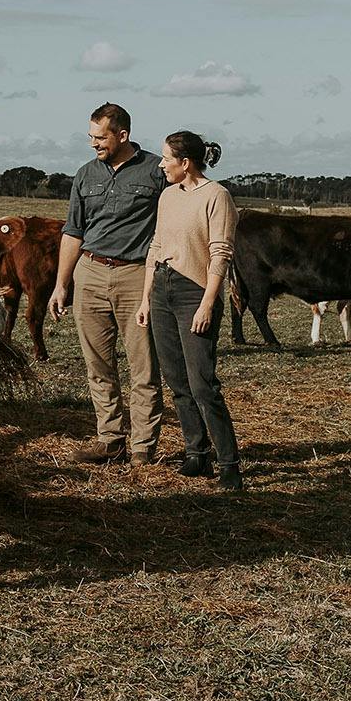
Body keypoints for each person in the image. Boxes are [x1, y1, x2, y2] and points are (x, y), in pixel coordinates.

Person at [48, 103, 167, 465]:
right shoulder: (85, 175)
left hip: (136, 276)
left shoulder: (155, 171)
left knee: (143, 365)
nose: (94, 144)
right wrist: (61, 283)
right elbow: (73, 231)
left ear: (123, 135)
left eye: (100, 137)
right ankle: (110, 440)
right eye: (91, 137)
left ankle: (143, 449)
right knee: (98, 364)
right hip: (91, 272)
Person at [136, 130, 243, 490]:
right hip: (163, 290)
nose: (161, 164)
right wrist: (145, 297)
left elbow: (221, 255)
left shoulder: (217, 196)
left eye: (166, 159)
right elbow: (156, 246)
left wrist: (207, 304)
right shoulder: (167, 195)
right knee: (177, 381)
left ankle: (229, 462)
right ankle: (196, 454)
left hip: (194, 291)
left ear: (185, 163)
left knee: (203, 384)